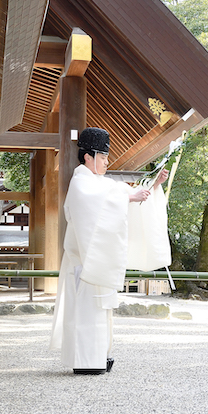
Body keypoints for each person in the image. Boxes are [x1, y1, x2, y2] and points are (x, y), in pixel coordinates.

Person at [49, 127, 169, 375]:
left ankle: (98, 357)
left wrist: (152, 186)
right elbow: (103, 201)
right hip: (85, 260)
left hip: (97, 260)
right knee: (87, 311)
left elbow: (121, 192)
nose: (106, 162)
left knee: (100, 311)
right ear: (88, 157)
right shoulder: (80, 181)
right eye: (102, 157)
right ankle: (85, 361)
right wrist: (127, 198)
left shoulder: (98, 183)